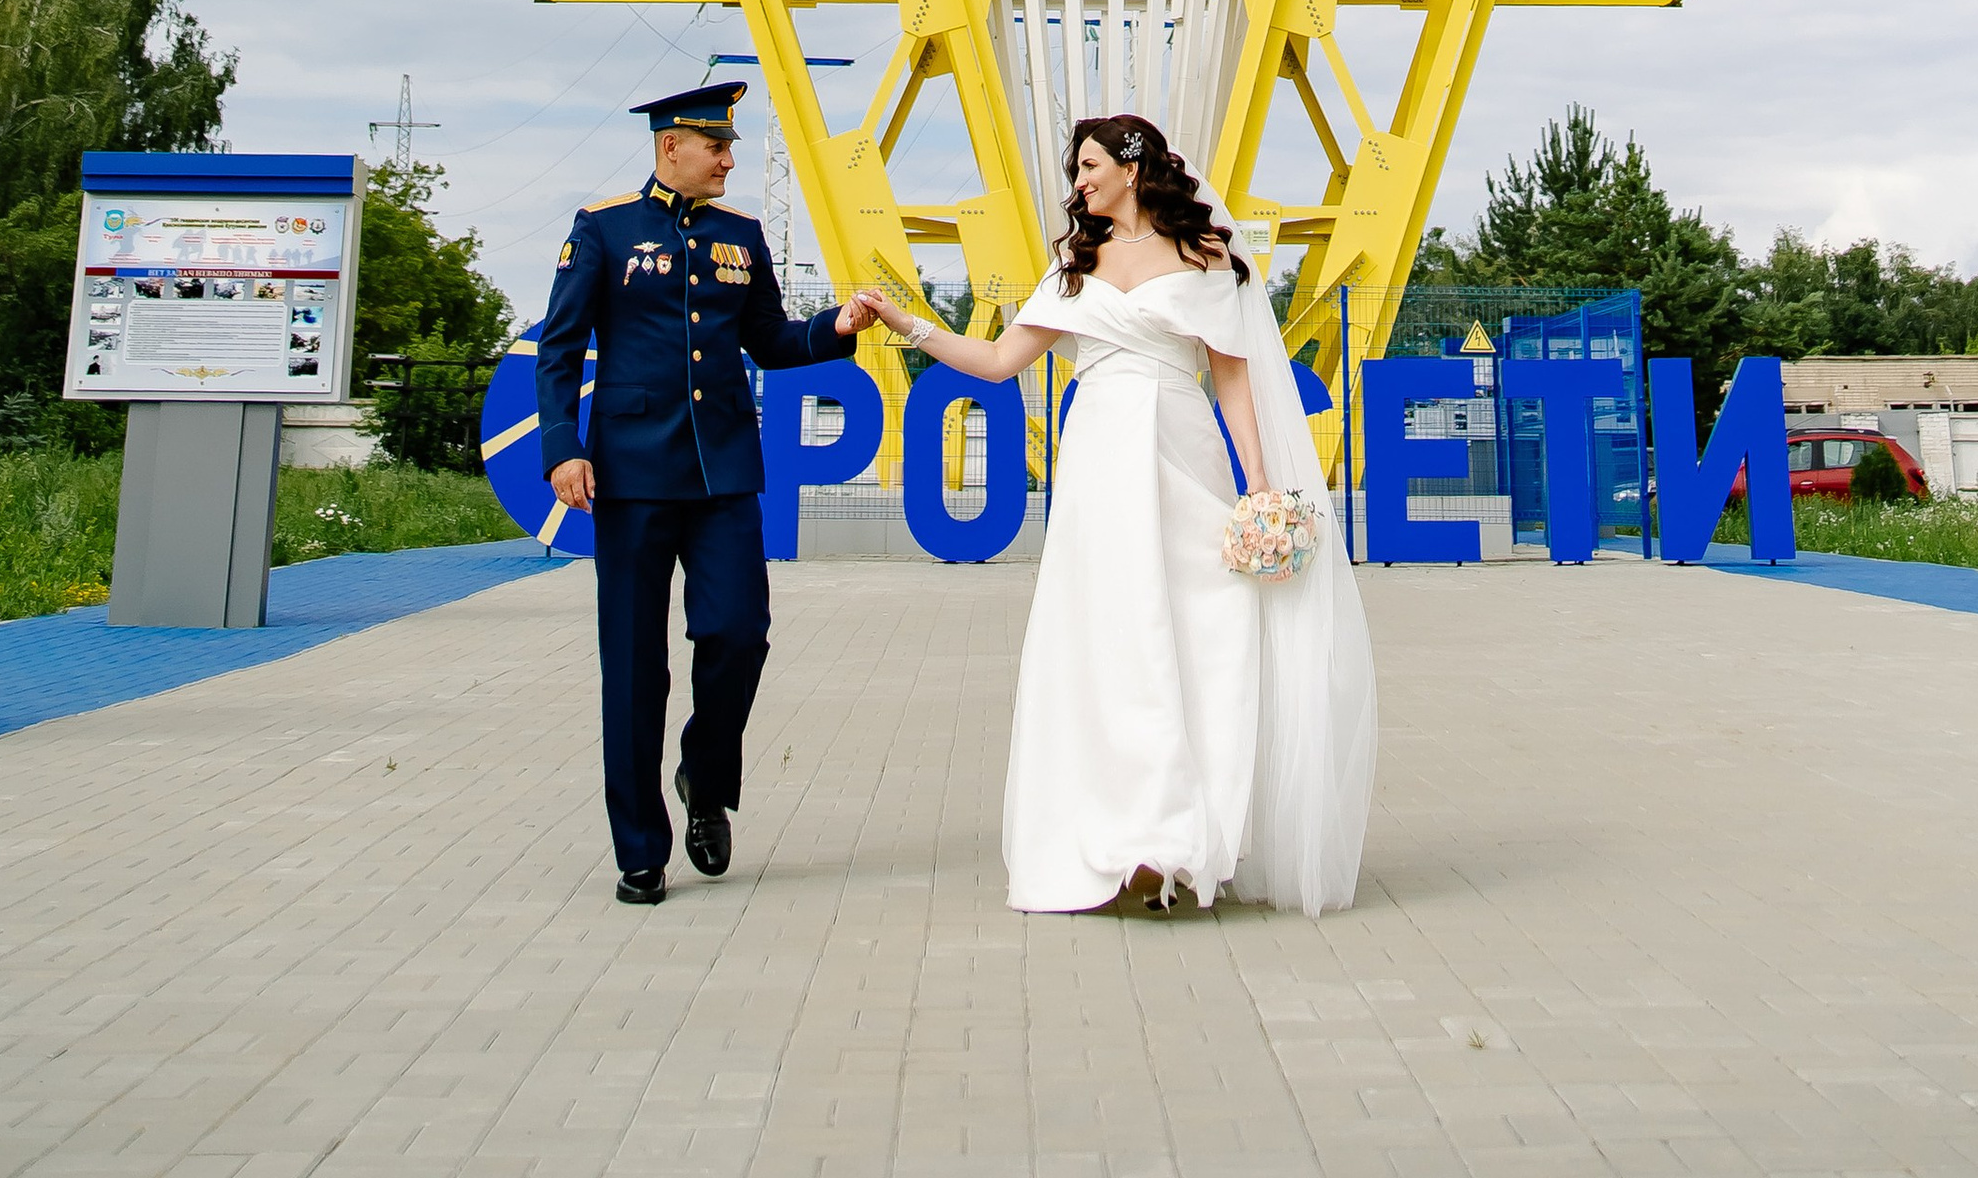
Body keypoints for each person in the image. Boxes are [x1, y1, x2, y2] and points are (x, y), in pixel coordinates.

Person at [869, 109, 1374, 915]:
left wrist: (1261, 488)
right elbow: (1000, 361)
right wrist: (912, 325)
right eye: (1077, 171)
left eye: (1089, 166)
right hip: (1100, 465)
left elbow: (1235, 383)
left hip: (1182, 457)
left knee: (1202, 635)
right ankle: (1125, 839)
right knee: (1108, 642)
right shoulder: (1076, 262)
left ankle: (1181, 842)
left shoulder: (1205, 255)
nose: (1079, 182)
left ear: (1131, 167)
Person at [537, 78, 894, 907]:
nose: (730, 158)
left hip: (724, 470)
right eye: (717, 145)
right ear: (672, 148)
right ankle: (639, 847)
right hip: (628, 473)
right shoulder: (604, 229)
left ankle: (703, 772)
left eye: (731, 144)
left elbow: (766, 337)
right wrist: (561, 447)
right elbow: (560, 349)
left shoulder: (742, 234)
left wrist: (832, 328)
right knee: (633, 665)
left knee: (739, 633)